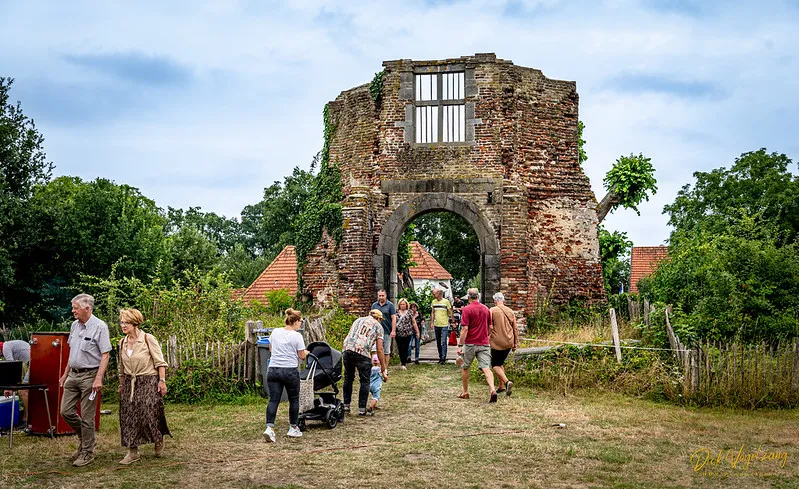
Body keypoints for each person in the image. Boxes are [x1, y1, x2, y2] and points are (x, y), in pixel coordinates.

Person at [59, 293, 112, 467]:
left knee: (88, 417)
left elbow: (105, 355)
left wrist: (98, 379)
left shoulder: (100, 327)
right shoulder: (74, 325)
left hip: (90, 375)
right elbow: (72, 353)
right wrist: (65, 374)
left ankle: (87, 452)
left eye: (76, 308)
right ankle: (85, 439)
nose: (73, 311)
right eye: (73, 307)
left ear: (87, 308)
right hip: (73, 375)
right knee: (65, 411)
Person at [117, 308, 171, 464]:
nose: (123, 325)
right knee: (128, 416)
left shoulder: (148, 339)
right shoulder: (122, 342)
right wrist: (121, 384)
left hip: (148, 380)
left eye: (126, 322)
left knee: (149, 413)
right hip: (129, 382)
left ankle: (158, 438)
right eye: (121, 322)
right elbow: (121, 367)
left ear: (135, 323)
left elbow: (160, 362)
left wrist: (162, 381)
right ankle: (133, 452)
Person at [263, 308, 308, 443]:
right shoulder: (297, 336)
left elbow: (271, 349)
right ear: (296, 321)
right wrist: (306, 352)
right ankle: (293, 427)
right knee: (294, 399)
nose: (300, 324)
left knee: (273, 400)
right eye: (300, 321)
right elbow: (301, 356)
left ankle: (269, 428)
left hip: (273, 370)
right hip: (289, 371)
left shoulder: (276, 332)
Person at [342, 310, 387, 416]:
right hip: (362, 352)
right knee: (365, 381)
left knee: (348, 378)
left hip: (347, 349)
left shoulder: (358, 320)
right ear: (378, 318)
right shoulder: (378, 326)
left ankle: (346, 406)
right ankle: (362, 409)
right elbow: (380, 349)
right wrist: (383, 366)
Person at [456, 288, 497, 403]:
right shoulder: (486, 309)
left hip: (470, 343)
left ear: (468, 297)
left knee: (465, 367)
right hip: (484, 343)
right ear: (478, 296)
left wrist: (460, 345)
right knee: (486, 368)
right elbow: (491, 327)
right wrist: (486, 336)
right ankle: (493, 390)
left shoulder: (467, 309)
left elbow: (465, 329)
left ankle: (465, 392)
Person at [489, 292, 519, 397]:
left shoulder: (492, 311)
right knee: (500, 362)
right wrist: (515, 342)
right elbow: (515, 328)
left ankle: (507, 382)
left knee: (495, 365)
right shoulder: (510, 311)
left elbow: (490, 327)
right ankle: (501, 386)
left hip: (497, 342)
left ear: (495, 301)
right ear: (504, 301)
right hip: (509, 341)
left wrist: (487, 337)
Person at [1, 339, 31, 425]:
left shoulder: (5, 348)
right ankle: (25, 417)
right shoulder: (8, 345)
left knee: (23, 391)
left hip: (34, 364)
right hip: (33, 362)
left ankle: (28, 419)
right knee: (26, 391)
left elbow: (11, 367)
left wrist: (9, 387)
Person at [371, 290, 396, 370]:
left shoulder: (390, 305)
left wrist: (393, 330)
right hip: (375, 332)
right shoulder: (374, 305)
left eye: (382, 295)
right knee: (374, 350)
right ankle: (376, 368)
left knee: (386, 351)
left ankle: (385, 368)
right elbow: (371, 317)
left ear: (386, 296)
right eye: (379, 296)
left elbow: (393, 318)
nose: (381, 297)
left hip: (386, 330)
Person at [394, 298, 420, 370]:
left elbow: (413, 322)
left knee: (406, 347)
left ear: (406, 305)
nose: (402, 305)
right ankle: (402, 361)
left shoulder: (409, 312)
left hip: (408, 332)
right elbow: (393, 321)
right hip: (398, 332)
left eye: (404, 304)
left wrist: (417, 331)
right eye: (401, 304)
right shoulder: (396, 312)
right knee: (400, 347)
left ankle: (404, 363)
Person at [430, 288, 453, 364]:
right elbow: (433, 312)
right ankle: (440, 356)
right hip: (436, 324)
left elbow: (450, 311)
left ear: (439, 293)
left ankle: (443, 358)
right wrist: (432, 322)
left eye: (434, 294)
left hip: (444, 324)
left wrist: (453, 320)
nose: (433, 295)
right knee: (438, 342)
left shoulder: (446, 302)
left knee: (443, 341)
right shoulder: (433, 302)